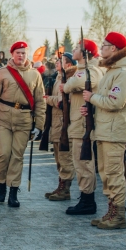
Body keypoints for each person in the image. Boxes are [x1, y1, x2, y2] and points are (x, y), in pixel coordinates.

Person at [82, 32, 126, 229]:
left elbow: (115, 102)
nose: (101, 48)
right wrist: (91, 105)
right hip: (106, 129)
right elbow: (104, 99)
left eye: (104, 45)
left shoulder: (123, 73)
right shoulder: (113, 71)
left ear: (113, 48)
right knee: (106, 173)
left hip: (114, 131)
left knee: (114, 173)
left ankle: (118, 215)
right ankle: (111, 211)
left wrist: (92, 98)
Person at [0, 41, 46, 208]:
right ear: (12, 54)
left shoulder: (35, 75)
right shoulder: (2, 73)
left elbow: (40, 101)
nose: (21, 55)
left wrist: (39, 125)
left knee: (17, 155)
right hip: (3, 117)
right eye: (18, 52)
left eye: (24, 53)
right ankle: (1, 186)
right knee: (4, 154)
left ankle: (13, 190)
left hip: (24, 119)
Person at [63, 39, 104, 215]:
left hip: (82, 124)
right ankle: (85, 197)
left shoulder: (90, 70)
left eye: (77, 48)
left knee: (84, 163)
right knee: (80, 163)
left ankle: (88, 200)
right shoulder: (82, 70)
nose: (73, 50)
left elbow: (73, 85)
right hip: (78, 123)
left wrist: (66, 86)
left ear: (86, 52)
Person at [44, 54, 75, 202]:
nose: (57, 63)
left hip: (65, 123)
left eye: (61, 61)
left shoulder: (70, 79)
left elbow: (65, 101)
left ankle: (65, 188)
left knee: (65, 157)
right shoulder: (58, 78)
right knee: (58, 156)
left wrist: (49, 99)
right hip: (56, 123)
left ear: (68, 65)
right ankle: (60, 185)